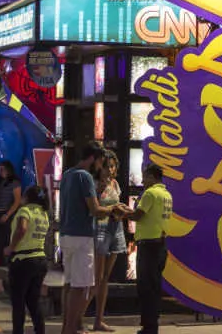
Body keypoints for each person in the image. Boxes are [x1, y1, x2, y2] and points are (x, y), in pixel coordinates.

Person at [60, 142, 115, 334]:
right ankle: (70, 329)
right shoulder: (85, 177)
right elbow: (96, 210)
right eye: (100, 162)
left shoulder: (67, 174)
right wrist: (114, 209)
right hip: (81, 237)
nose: (100, 167)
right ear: (93, 159)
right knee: (82, 287)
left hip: (66, 235)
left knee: (69, 284)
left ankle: (67, 327)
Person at [118, 164, 173, 334]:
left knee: (146, 288)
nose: (142, 181)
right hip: (161, 245)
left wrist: (121, 213)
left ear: (151, 176)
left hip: (148, 246)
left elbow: (138, 216)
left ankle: (149, 328)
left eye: (145, 177)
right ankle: (152, 325)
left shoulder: (150, 194)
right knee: (154, 288)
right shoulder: (166, 195)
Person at [89, 151, 126, 332]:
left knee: (105, 278)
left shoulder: (115, 184)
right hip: (100, 229)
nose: (110, 170)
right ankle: (76, 317)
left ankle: (99, 319)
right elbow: (94, 209)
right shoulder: (95, 184)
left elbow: (115, 205)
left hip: (115, 228)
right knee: (96, 277)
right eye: (106, 166)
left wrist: (121, 211)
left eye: (112, 166)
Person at [5, 185, 49, 334]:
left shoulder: (25, 211)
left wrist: (11, 247)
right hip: (40, 260)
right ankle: (40, 331)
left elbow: (22, 229)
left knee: (18, 302)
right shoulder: (44, 214)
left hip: (22, 260)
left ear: (28, 197)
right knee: (34, 302)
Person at [0, 160, 22, 264]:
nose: (0, 172)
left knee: (5, 239)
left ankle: (6, 262)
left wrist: (7, 214)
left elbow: (17, 201)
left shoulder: (15, 183)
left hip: (7, 213)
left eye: (3, 169)